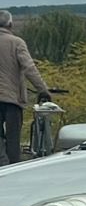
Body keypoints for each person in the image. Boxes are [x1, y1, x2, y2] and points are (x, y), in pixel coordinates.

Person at [0, 10, 52, 166]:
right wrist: (43, 89)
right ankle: (13, 169)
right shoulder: (16, 42)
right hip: (12, 99)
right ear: (10, 24)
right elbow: (29, 68)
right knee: (13, 138)